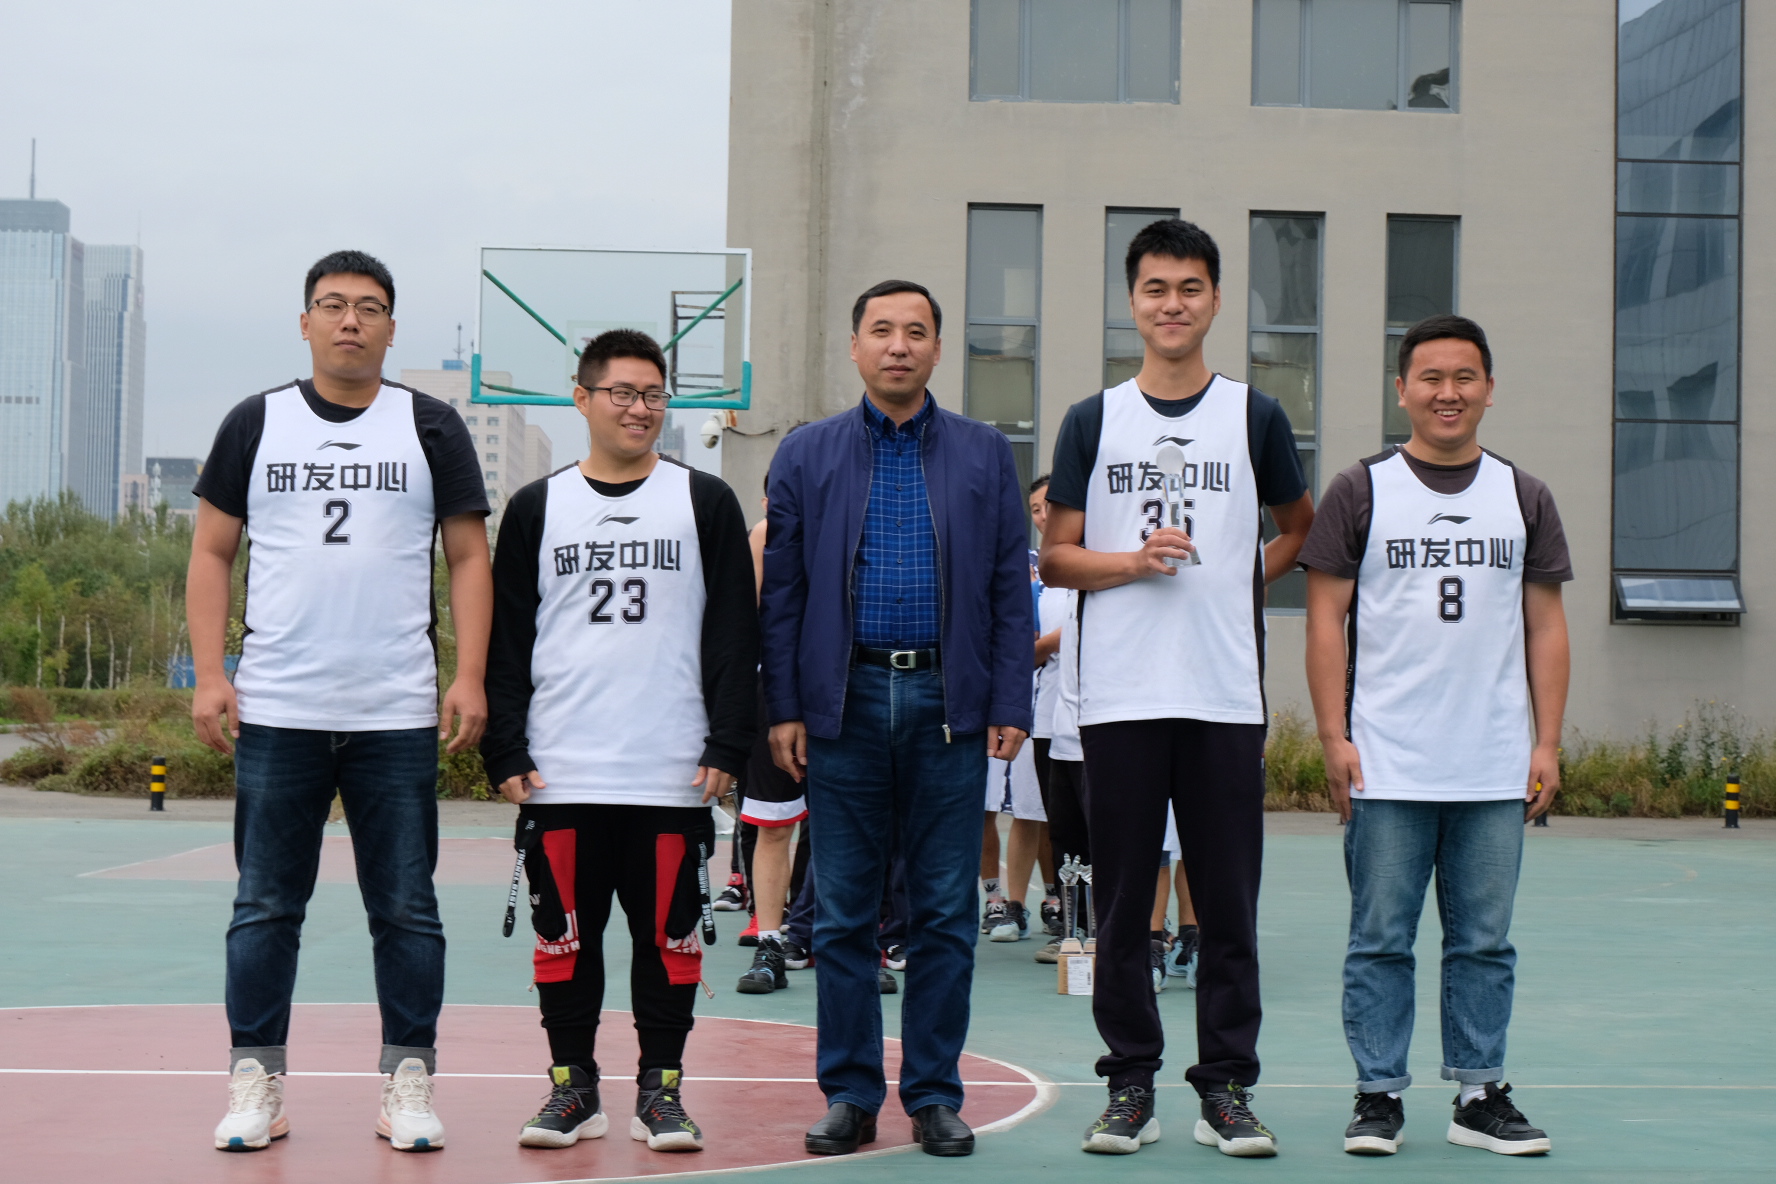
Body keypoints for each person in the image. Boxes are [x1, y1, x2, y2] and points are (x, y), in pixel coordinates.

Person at [189, 250, 491, 1153]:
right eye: (332, 305)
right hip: (278, 707)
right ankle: (256, 1080)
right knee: (263, 906)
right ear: (305, 322)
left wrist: (469, 674)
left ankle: (408, 1080)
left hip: (393, 710)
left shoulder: (430, 425)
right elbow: (211, 552)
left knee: (406, 908)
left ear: (392, 328)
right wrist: (211, 673)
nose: (350, 320)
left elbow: (468, 556)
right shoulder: (256, 422)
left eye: (368, 307)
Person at [1039, 218, 1314, 1157]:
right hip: (1119, 696)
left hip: (1224, 696)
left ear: (1216, 300)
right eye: (1156, 288)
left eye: (1190, 287)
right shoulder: (1093, 419)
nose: (1172, 303)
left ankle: (1226, 1089)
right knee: (1126, 908)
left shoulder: (1253, 416)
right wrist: (1133, 562)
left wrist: (1236, 580)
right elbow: (1058, 557)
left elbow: (1298, 526)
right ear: (1132, 301)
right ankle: (1130, 1086)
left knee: (1228, 907)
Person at [761, 279, 1034, 1158]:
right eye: (881, 330)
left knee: (945, 912)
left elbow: (1008, 586)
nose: (899, 345)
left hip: (948, 705)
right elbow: (784, 594)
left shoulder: (984, 454)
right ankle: (849, 1093)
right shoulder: (806, 454)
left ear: (937, 349)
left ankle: (934, 1095)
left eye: (916, 331)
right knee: (842, 912)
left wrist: (1009, 699)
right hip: (842, 703)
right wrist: (785, 706)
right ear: (855, 346)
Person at [479, 329, 757, 1152]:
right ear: (583, 398)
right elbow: (508, 639)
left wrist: (727, 744)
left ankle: (660, 1091)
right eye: (623, 393)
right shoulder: (537, 507)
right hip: (561, 771)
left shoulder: (704, 501)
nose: (640, 408)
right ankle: (573, 1088)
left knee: (669, 944)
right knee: (564, 942)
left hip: (671, 771)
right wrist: (505, 747)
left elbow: (734, 633)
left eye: (654, 394)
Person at [1301, 314, 1570, 1158]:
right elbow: (1324, 620)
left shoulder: (1523, 495)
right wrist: (1333, 735)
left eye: (1464, 378)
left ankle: (1478, 1095)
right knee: (1380, 940)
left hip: (1493, 764)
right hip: (1387, 762)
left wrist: (1547, 743)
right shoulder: (1361, 489)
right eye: (1430, 378)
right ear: (1402, 390)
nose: (1447, 393)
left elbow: (1546, 627)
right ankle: (1377, 1095)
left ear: (1489, 389)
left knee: (1484, 942)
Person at [737, 469, 810, 993]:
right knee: (774, 824)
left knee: (849, 826)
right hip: (779, 691)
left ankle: (848, 941)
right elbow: (749, 617)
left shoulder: (862, 522)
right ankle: (769, 943)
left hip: (847, 688)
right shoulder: (766, 533)